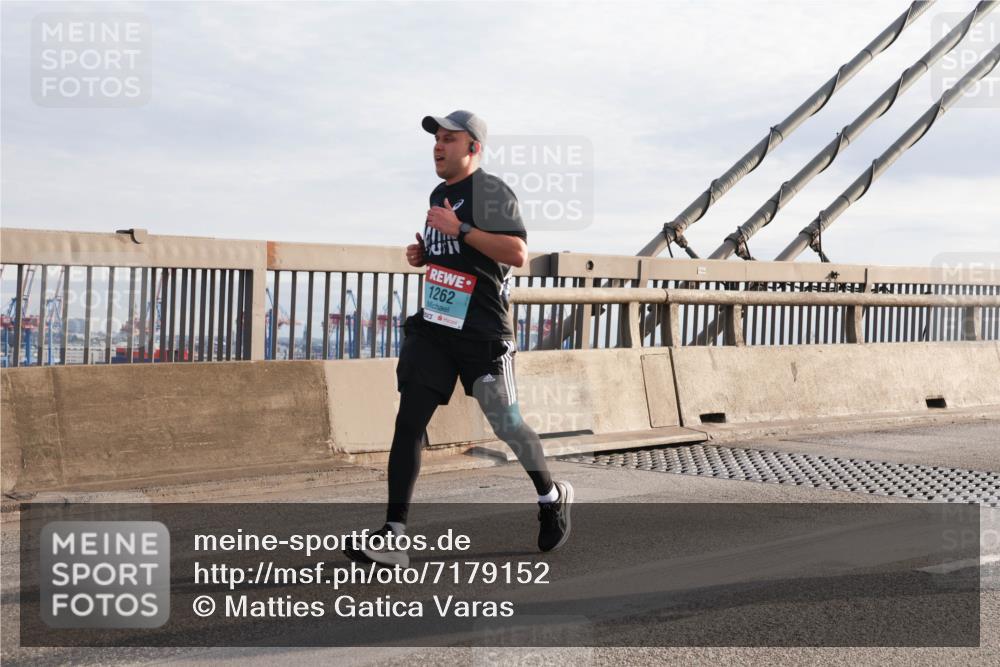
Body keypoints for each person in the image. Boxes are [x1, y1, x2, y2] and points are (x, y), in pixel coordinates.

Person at [344, 110, 573, 568]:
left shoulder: (491, 192)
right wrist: (427, 254)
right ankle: (394, 535)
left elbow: (517, 253)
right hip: (436, 329)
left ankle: (551, 496)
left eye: (450, 138)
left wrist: (461, 230)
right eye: (437, 139)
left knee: (506, 424)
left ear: (474, 148)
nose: (438, 145)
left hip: (482, 334)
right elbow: (459, 255)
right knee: (409, 422)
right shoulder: (439, 194)